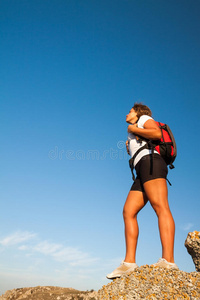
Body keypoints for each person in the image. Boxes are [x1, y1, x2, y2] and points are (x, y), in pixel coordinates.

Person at [106, 103, 178, 280]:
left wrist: (134, 129)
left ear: (138, 113)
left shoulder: (143, 119)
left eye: (130, 111)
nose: (127, 113)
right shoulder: (135, 129)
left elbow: (156, 133)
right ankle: (129, 263)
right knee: (128, 211)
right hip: (142, 169)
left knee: (160, 206)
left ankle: (168, 260)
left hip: (152, 162)